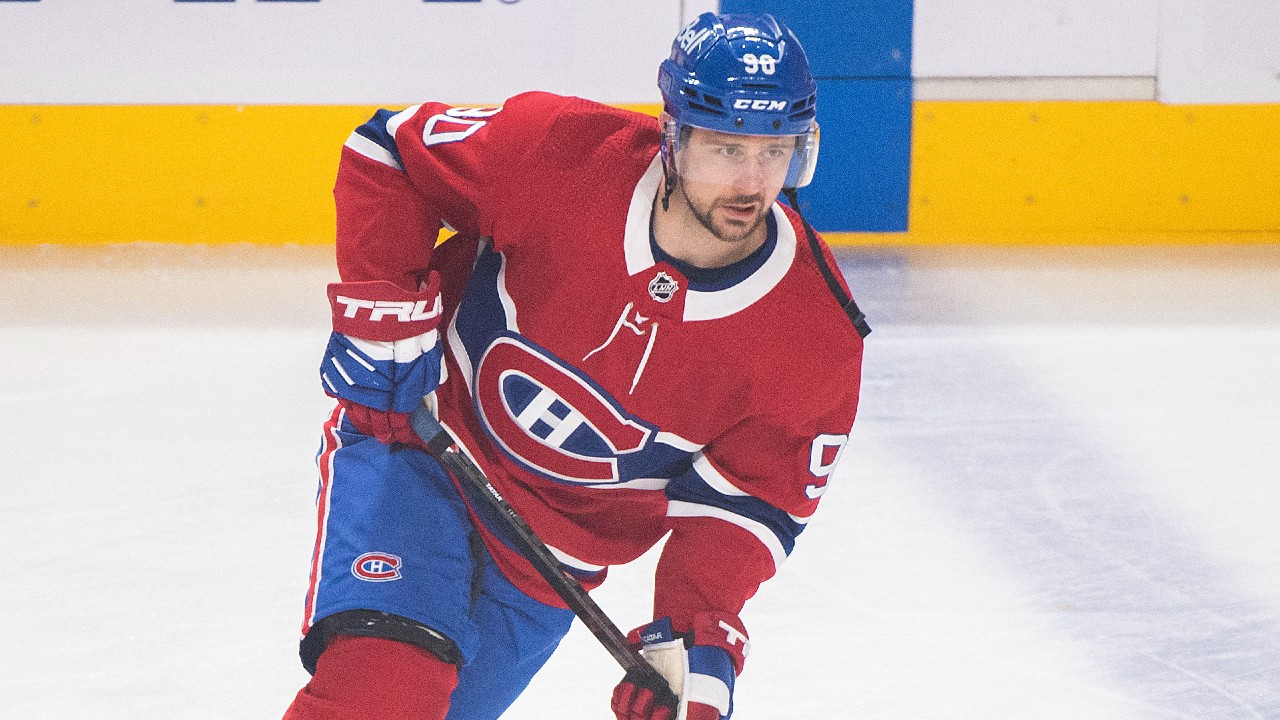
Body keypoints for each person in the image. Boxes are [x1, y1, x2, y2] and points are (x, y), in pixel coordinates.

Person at [283, 11, 867, 720]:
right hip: (421, 446)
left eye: (775, 151)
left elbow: (746, 507)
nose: (752, 181)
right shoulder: (560, 153)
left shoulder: (815, 337)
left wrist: (695, 634)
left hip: (549, 565)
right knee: (381, 697)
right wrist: (383, 314)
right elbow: (392, 154)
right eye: (726, 149)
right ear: (675, 138)